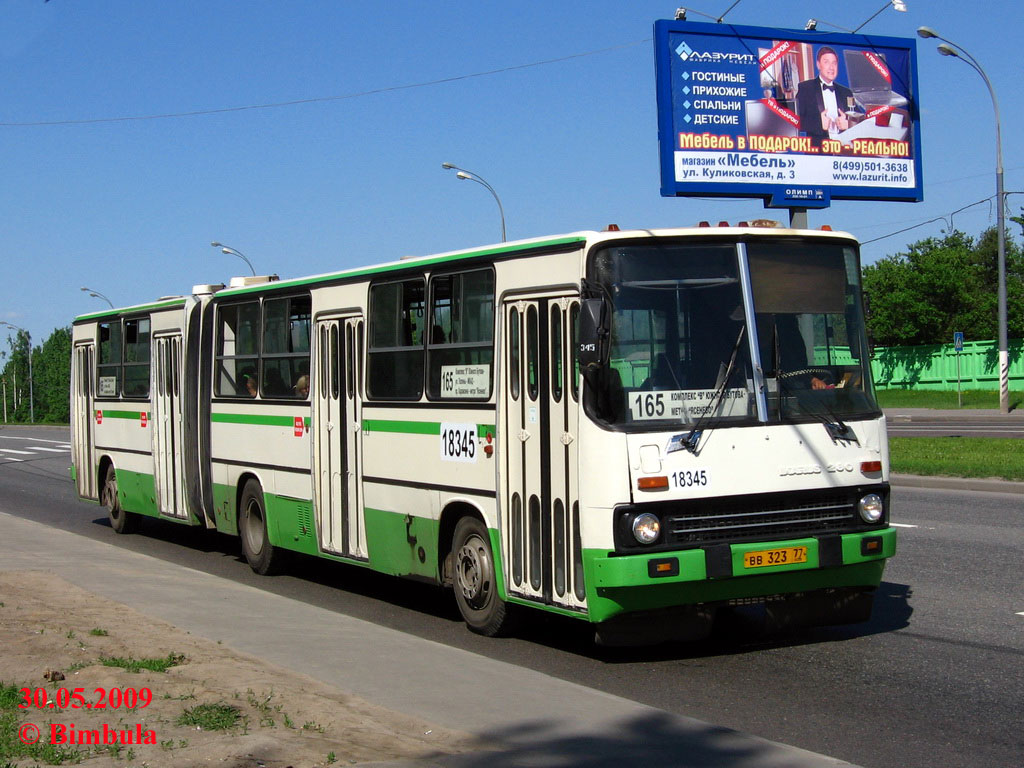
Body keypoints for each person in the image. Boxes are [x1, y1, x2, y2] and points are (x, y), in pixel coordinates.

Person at [795, 46, 854, 145]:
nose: (831, 67)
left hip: (844, 151)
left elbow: (861, 120)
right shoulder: (806, 88)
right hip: (818, 151)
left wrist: (849, 124)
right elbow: (795, 120)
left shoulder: (846, 92)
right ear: (818, 65)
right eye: (826, 62)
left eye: (834, 63)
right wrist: (818, 123)